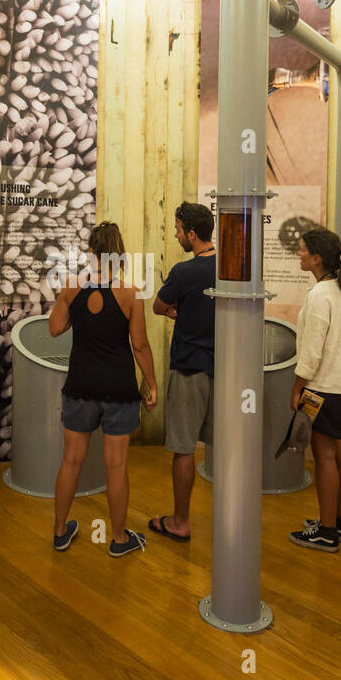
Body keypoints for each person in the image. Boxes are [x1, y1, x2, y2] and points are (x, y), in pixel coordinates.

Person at [48, 221, 158, 558]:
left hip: (80, 386)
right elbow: (139, 346)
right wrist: (151, 383)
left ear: (92, 252)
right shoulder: (130, 292)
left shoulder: (72, 286)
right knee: (116, 465)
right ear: (119, 253)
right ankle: (119, 538)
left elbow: (54, 329)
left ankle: (59, 531)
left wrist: (72, 311)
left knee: (70, 462)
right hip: (118, 388)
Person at [288, 225, 341, 553]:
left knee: (324, 456)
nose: (299, 254)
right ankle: (339, 521)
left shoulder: (319, 296)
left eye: (303, 250)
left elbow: (312, 351)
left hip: (323, 389)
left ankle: (327, 531)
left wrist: (297, 388)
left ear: (317, 258)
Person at [147, 202, 216, 543]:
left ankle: (180, 521)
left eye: (177, 229)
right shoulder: (231, 269)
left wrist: (176, 308)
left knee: (184, 448)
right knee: (228, 449)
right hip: (226, 373)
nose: (175, 235)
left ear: (191, 233)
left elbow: (158, 305)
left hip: (190, 368)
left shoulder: (184, 272)